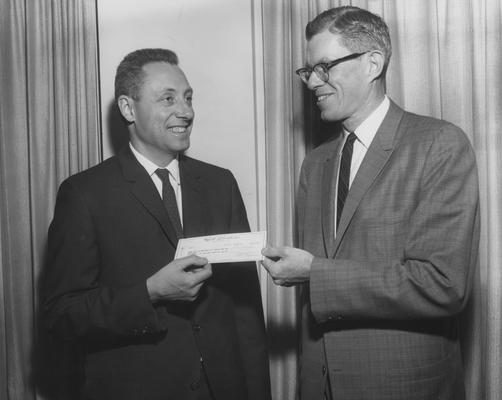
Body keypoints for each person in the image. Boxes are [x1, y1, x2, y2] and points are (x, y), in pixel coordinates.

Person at [261, 6, 479, 400]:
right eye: (308, 70)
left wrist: (315, 274)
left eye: (324, 66)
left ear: (372, 64)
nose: (312, 82)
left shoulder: (438, 144)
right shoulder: (315, 163)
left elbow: (443, 285)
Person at [43, 48, 271, 400]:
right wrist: (149, 292)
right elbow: (61, 315)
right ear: (128, 108)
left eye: (188, 98)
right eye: (168, 99)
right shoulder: (84, 194)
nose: (186, 111)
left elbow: (246, 312)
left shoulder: (220, 184)